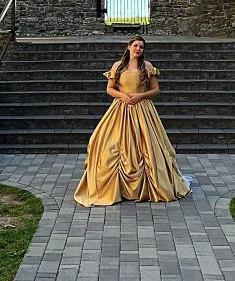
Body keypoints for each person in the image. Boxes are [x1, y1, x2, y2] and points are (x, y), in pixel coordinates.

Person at [74, 35, 191, 207]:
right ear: (129, 47)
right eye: (135, 45)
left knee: (147, 148)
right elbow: (110, 89)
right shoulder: (117, 66)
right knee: (106, 144)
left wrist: (140, 96)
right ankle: (112, 188)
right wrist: (123, 96)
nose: (138, 49)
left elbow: (156, 90)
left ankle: (150, 185)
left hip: (143, 110)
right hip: (120, 109)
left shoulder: (147, 67)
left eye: (141, 47)